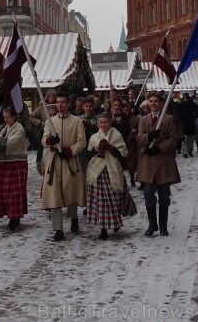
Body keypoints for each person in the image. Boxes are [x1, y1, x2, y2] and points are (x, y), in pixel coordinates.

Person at [41, 91, 87, 241]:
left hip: (70, 161)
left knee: (71, 191)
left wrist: (69, 151)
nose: (59, 105)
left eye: (62, 102)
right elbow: (44, 139)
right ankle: (58, 229)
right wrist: (50, 141)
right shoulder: (50, 121)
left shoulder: (76, 121)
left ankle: (73, 217)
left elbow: (82, 142)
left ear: (68, 104)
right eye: (58, 102)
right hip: (54, 162)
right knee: (55, 195)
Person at [86, 113, 137, 239]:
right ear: (98, 124)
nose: (103, 125)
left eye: (106, 122)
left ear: (110, 123)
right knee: (101, 202)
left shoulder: (117, 135)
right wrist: (96, 149)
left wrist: (111, 148)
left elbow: (123, 154)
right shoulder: (94, 137)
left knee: (114, 199)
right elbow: (88, 155)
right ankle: (103, 229)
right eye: (101, 122)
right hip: (98, 173)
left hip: (112, 171)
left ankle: (115, 221)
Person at [136, 91, 180, 237]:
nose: (153, 104)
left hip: (163, 163)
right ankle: (152, 224)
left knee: (164, 195)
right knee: (148, 193)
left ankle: (163, 225)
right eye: (151, 101)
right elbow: (140, 136)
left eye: (156, 101)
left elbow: (174, 138)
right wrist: (149, 137)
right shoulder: (143, 119)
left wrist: (159, 147)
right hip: (148, 163)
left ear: (161, 103)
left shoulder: (168, 119)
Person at [0, 105, 28, 230]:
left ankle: (15, 217)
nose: (6, 120)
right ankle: (8, 213)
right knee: (3, 190)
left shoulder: (20, 129)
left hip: (17, 163)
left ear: (14, 117)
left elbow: (9, 142)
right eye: (4, 117)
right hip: (5, 163)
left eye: (7, 117)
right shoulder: (6, 128)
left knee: (14, 192)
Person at [121, 101, 139, 187]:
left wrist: (136, 131)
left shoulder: (135, 118)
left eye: (127, 109)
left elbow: (140, 128)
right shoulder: (120, 118)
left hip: (131, 142)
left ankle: (132, 178)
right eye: (123, 109)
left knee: (132, 162)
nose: (125, 111)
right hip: (122, 141)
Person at [179, 93, 198, 158]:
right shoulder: (181, 105)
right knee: (185, 139)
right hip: (184, 125)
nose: (186, 99)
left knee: (191, 139)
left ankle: (190, 150)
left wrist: (193, 118)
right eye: (184, 98)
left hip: (191, 124)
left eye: (186, 98)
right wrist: (181, 119)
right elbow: (178, 114)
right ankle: (185, 152)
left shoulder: (193, 104)